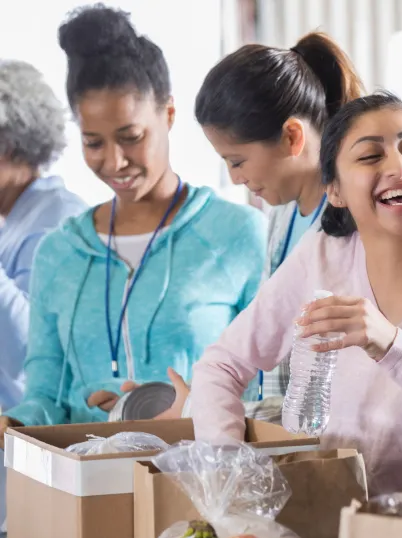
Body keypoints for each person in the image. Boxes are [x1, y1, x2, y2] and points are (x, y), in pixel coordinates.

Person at [187, 92, 402, 495]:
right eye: (370, 157)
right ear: (334, 190)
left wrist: (391, 343)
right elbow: (221, 366)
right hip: (331, 520)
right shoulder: (324, 255)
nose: (400, 166)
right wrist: (230, 475)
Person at [0, 5, 266, 438]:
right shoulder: (58, 252)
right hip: (84, 490)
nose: (115, 161)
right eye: (93, 143)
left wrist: (188, 404)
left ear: (169, 115)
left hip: (197, 486)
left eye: (131, 137)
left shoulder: (235, 234)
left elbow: (269, 386)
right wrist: (14, 422)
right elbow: (44, 397)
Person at [194, 32, 363, 420]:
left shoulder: (354, 223)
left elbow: (341, 384)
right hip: (285, 436)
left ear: (291, 137)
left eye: (237, 161)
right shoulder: (282, 217)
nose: (235, 179)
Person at [0, 60, 86, 412]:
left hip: (27, 439)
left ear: (11, 144)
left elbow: (28, 353)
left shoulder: (58, 220)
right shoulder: (14, 223)